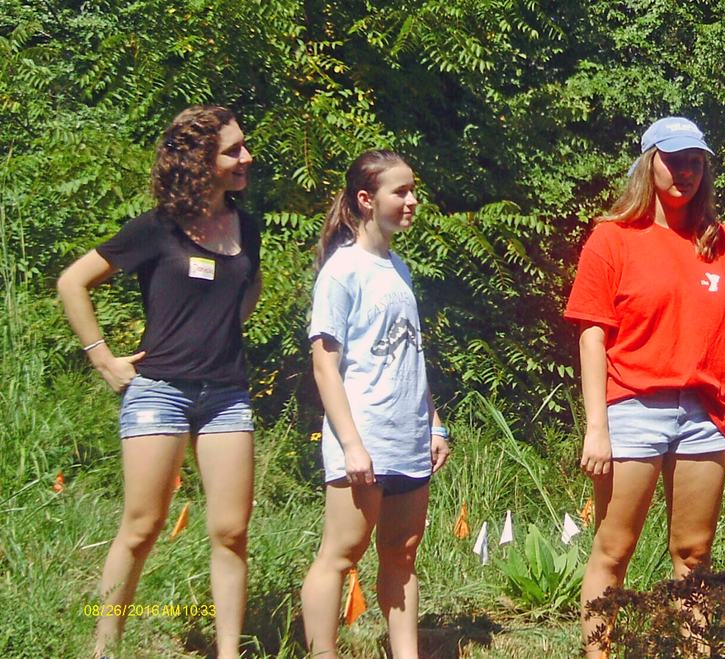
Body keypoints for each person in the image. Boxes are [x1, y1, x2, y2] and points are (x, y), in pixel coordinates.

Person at [57, 105, 260, 659]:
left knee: (230, 532)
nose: (247, 157)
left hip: (226, 395)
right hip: (159, 391)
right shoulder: (157, 228)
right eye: (233, 150)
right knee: (143, 526)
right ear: (200, 161)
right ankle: (104, 647)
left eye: (243, 146)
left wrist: (217, 334)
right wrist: (104, 359)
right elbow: (72, 282)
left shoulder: (249, 222)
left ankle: (228, 652)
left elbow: (248, 290)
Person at [565, 117, 725, 655]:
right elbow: (592, 335)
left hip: (704, 416)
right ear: (648, 162)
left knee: (694, 553)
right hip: (631, 408)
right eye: (673, 160)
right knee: (614, 550)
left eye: (694, 162)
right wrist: (597, 428)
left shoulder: (722, 244)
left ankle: (692, 650)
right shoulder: (611, 238)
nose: (684, 172)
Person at [299, 149, 450, 659]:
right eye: (400, 192)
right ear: (366, 200)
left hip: (408, 439)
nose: (412, 201)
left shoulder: (398, 267)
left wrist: (434, 424)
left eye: (413, 191)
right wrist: (351, 445)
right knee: (341, 555)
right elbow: (325, 366)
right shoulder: (343, 272)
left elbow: (411, 353)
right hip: (363, 439)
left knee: (402, 554)